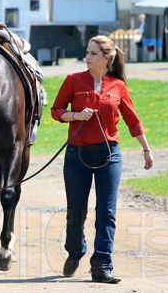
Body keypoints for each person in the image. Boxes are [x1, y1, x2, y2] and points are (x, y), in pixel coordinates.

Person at [51, 35, 153, 283]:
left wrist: (146, 150)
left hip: (110, 154)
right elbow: (56, 111)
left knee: (106, 212)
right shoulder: (73, 80)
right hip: (77, 154)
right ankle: (75, 252)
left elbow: (133, 120)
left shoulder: (118, 86)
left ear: (107, 58)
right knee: (76, 210)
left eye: (93, 53)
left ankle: (102, 266)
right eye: (87, 52)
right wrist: (75, 114)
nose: (87, 56)